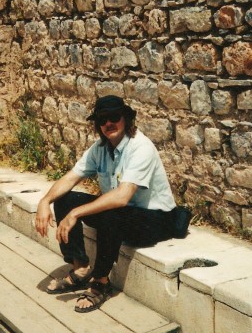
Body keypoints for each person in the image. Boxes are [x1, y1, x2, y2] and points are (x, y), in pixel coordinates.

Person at [35, 95, 177, 313]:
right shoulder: (100, 148)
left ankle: (101, 283)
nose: (108, 123)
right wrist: (45, 201)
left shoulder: (141, 147)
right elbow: (71, 178)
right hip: (126, 214)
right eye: (102, 119)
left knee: (112, 211)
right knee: (64, 198)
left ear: (126, 119)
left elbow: (122, 197)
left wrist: (74, 214)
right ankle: (81, 269)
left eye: (114, 117)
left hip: (156, 220)